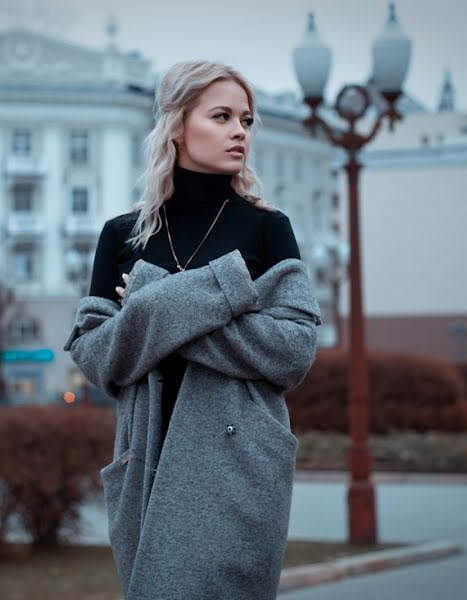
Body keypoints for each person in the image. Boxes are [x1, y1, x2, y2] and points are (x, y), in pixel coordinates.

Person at [64, 60, 321, 599]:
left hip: (240, 463)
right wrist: (220, 297)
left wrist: (153, 299)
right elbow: (96, 357)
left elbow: (292, 352)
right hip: (146, 464)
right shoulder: (121, 237)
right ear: (177, 125)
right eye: (222, 116)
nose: (239, 132)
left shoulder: (268, 228)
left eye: (246, 120)